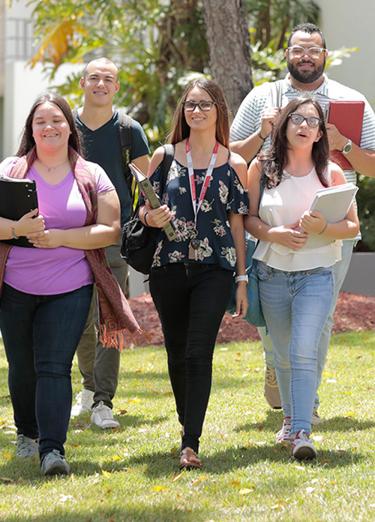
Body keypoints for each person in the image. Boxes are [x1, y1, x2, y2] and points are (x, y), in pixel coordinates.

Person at [230, 22, 375, 415]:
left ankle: (305, 402)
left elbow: (373, 166)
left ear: (325, 55)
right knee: (273, 317)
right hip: (272, 221)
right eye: (298, 50)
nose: (305, 56)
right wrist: (264, 134)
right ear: (287, 55)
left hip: (331, 226)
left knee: (322, 316)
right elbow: (231, 156)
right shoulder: (263, 97)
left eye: (313, 50)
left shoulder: (350, 100)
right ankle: (277, 364)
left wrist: (342, 142)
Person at [0, 93, 139, 476]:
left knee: (54, 366)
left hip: (70, 287)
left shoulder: (92, 173)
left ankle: (52, 450)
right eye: (41, 121)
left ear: (69, 127)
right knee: (22, 366)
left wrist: (60, 237)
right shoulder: (10, 169)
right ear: (31, 129)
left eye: (57, 120)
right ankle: (26, 433)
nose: (50, 127)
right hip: (15, 288)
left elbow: (110, 230)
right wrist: (18, 230)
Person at [138, 79, 249, 469]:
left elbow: (237, 225)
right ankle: (189, 420)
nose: (197, 111)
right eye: (190, 105)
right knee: (176, 350)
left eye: (204, 104)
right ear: (182, 111)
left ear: (218, 109)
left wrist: (241, 278)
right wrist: (150, 216)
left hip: (214, 270)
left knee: (199, 352)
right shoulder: (164, 155)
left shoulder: (234, 163)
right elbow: (143, 209)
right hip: (168, 266)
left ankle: (191, 442)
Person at [246, 97, 359, 459]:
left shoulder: (332, 173)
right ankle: (291, 421)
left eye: (312, 120)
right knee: (281, 354)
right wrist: (273, 234)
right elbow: (247, 219)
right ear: (283, 124)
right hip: (272, 273)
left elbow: (353, 226)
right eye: (296, 118)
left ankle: (301, 431)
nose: (304, 125)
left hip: (317, 275)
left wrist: (324, 226)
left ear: (320, 132)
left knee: (303, 350)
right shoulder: (261, 168)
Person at [71, 57, 150, 428]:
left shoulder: (129, 130)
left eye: (108, 79)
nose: (101, 84)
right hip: (68, 237)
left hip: (114, 237)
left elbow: (148, 185)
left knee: (110, 320)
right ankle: (88, 386)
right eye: (94, 78)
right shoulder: (65, 125)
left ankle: (103, 401)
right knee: (77, 318)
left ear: (116, 87)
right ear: (83, 83)